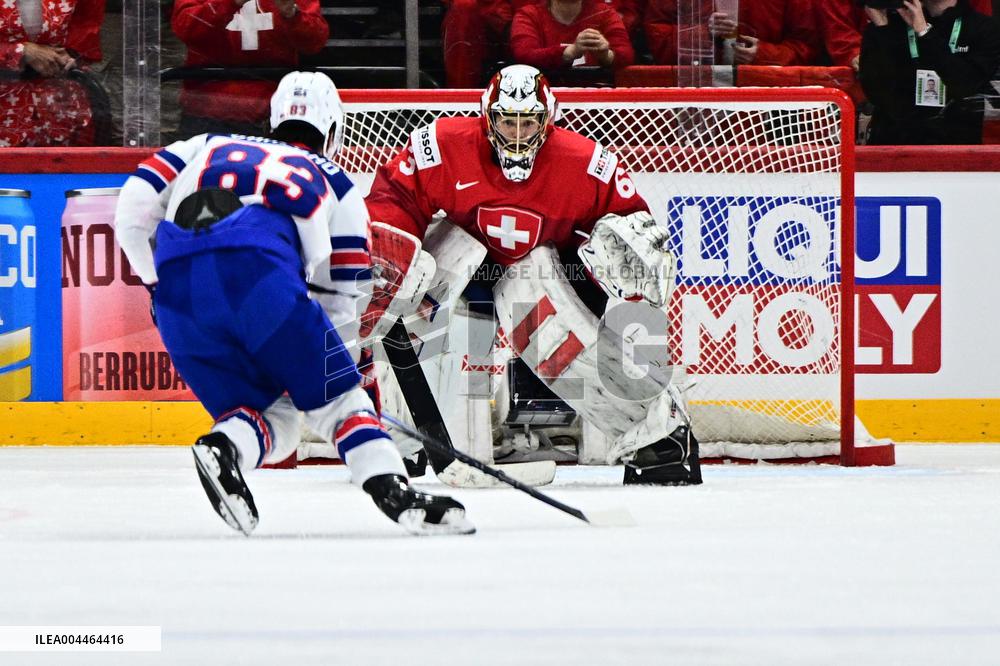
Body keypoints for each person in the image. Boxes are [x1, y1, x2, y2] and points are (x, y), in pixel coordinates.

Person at [113, 71, 474, 536]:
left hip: (178, 300)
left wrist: (156, 286)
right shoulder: (338, 183)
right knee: (339, 403)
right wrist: (336, 370)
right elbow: (341, 294)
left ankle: (224, 447)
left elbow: (132, 214)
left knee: (271, 415)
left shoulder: (201, 143)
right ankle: (396, 493)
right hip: (260, 282)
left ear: (274, 117)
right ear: (335, 128)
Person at [365, 65, 701, 486]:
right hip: (468, 263)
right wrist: (394, 247)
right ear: (488, 117)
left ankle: (657, 434)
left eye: (529, 121)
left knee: (538, 310)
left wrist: (621, 255)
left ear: (548, 119)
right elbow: (394, 193)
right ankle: (399, 436)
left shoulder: (586, 164)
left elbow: (632, 229)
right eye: (508, 119)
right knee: (414, 292)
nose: (518, 132)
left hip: (548, 271)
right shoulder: (443, 145)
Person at [171, 0, 328, 137]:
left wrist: (292, 14)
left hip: (274, 115)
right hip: (206, 112)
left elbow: (314, 42)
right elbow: (184, 27)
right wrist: (228, 4)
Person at [859, 0, 1000, 144]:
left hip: (954, 147)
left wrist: (925, 33)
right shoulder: (888, 26)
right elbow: (877, 92)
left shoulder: (984, 28)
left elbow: (964, 84)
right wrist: (883, 31)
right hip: (893, 145)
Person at [0, 0, 106, 147]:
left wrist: (72, 53)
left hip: (59, 105)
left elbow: (86, 23)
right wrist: (20, 51)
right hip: (6, 106)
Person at [818, 0, 990, 70]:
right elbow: (838, 28)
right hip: (879, 61)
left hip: (942, 56)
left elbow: (978, 27)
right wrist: (854, 51)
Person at [644, 0, 819, 66]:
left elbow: (808, 47)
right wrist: (704, 34)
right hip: (691, 100)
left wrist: (763, 54)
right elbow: (655, 40)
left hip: (766, 106)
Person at [510, 0, 635, 83]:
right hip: (544, 96)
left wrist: (605, 55)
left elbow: (626, 54)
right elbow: (524, 54)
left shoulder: (605, 13)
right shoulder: (528, 14)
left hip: (594, 100)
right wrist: (569, 52)